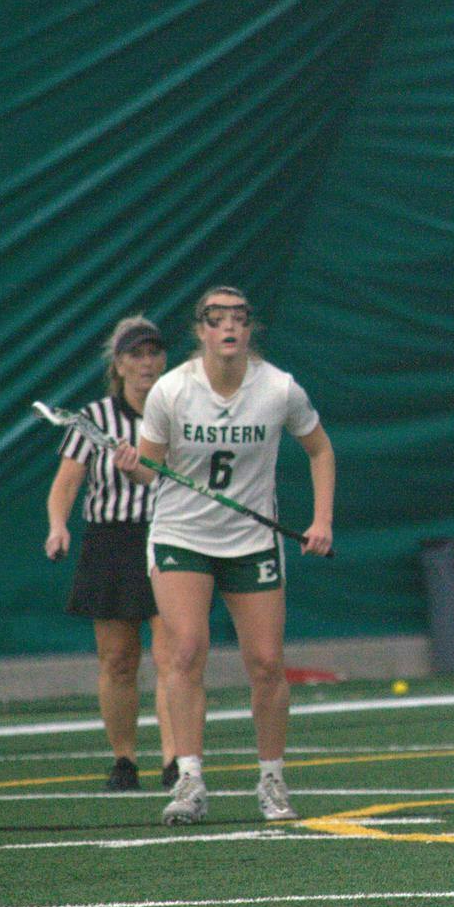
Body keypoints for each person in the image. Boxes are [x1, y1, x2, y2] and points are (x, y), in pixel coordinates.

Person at [119, 286, 335, 825]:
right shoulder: (172, 392)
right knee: (186, 649)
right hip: (181, 534)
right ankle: (190, 779)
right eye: (217, 320)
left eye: (239, 317)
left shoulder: (278, 389)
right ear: (202, 330)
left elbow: (320, 448)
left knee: (266, 663)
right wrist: (131, 466)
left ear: (249, 328)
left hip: (251, 540)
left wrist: (321, 519)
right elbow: (150, 469)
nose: (229, 328)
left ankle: (272, 779)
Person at [44, 315, 175, 791]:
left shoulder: (179, 409)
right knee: (118, 658)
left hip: (167, 535)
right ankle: (124, 759)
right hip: (111, 540)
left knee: (171, 654)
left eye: (154, 352)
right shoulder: (94, 419)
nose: (147, 362)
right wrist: (58, 526)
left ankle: (174, 760)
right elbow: (67, 483)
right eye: (136, 354)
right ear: (118, 363)